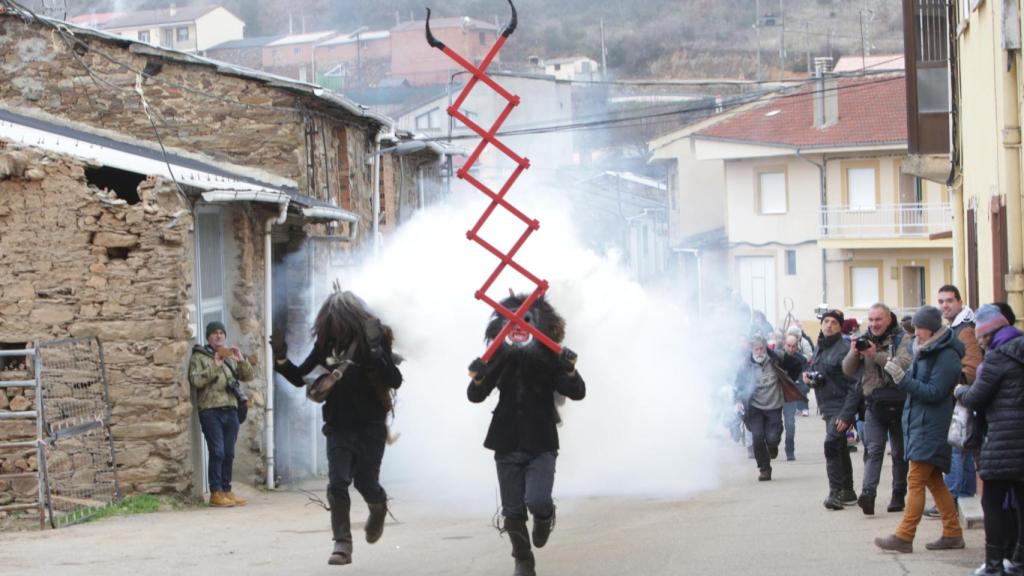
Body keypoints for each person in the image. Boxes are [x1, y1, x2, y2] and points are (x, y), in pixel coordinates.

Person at [272, 291, 403, 566]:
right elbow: (300, 378)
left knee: (366, 482)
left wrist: (379, 351)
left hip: (371, 426)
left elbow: (395, 379)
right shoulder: (325, 346)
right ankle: (342, 543)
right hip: (338, 426)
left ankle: (377, 506)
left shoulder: (371, 342)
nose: (337, 330)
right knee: (337, 483)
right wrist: (281, 358)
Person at [467, 294, 585, 576]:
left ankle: (544, 517)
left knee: (538, 501)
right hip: (506, 442)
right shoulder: (500, 356)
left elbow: (578, 392)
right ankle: (523, 559)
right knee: (513, 512)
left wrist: (569, 369)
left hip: (541, 442)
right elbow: (475, 395)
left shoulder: (548, 357)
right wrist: (479, 376)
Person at [874, 305, 965, 554]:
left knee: (915, 480)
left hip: (932, 425)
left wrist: (902, 379)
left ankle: (904, 536)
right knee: (934, 481)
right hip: (922, 424)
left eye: (919, 329)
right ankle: (953, 533)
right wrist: (901, 375)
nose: (916, 334)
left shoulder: (946, 355)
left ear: (931, 329)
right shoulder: (926, 350)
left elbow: (934, 393)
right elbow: (918, 386)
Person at [955, 304, 1024, 575]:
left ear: (988, 334)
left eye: (980, 338)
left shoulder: (997, 358)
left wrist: (960, 390)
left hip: (1004, 440)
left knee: (991, 502)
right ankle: (1019, 561)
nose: (980, 343)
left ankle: (994, 564)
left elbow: (976, 397)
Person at [843, 303, 913, 516]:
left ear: (889, 319)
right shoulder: (864, 339)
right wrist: (855, 352)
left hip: (900, 402)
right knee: (873, 450)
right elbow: (847, 369)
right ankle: (868, 494)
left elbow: (903, 365)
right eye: (871, 320)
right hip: (874, 403)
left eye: (878, 320)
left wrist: (876, 355)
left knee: (900, 453)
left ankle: (898, 494)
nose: (874, 324)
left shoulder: (903, 339)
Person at [924, 285, 984, 518]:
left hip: (962, 399)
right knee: (961, 449)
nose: (944, 306)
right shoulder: (956, 326)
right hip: (961, 397)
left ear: (960, 302)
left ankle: (953, 498)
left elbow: (972, 368)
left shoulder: (965, 329)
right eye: (941, 301)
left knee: (958, 450)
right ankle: (959, 497)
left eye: (949, 300)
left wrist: (951, 386)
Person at [188, 321, 255, 508]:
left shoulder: (229, 357)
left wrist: (241, 359)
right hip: (210, 410)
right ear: (208, 337)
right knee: (217, 452)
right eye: (214, 333)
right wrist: (215, 366)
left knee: (229, 453)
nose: (218, 336)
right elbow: (195, 381)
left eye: (221, 333)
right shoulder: (199, 356)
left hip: (231, 410)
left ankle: (226, 490)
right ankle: (215, 492)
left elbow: (248, 376)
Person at [803, 309, 860, 510]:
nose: (829, 325)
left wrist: (847, 414)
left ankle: (834, 493)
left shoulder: (844, 348)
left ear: (839, 326)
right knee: (840, 447)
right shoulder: (821, 346)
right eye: (826, 321)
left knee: (831, 444)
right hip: (826, 405)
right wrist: (809, 378)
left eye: (833, 322)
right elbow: (817, 371)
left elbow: (855, 384)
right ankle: (848, 490)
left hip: (842, 405)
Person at [734, 336, 807, 479]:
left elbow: (798, 364)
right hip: (755, 407)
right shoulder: (745, 366)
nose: (759, 352)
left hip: (774, 405)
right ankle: (764, 468)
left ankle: (772, 447)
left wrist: (787, 380)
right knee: (757, 436)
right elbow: (737, 386)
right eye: (756, 349)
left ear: (766, 349)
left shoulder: (777, 358)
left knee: (773, 438)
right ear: (752, 350)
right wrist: (737, 400)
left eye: (762, 348)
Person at [782, 334, 809, 459]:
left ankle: (790, 449)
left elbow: (804, 378)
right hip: (775, 396)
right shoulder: (778, 356)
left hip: (790, 396)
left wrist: (801, 388)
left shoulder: (801, 360)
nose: (791, 349)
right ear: (784, 344)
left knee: (790, 424)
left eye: (794, 346)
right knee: (774, 424)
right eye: (789, 346)